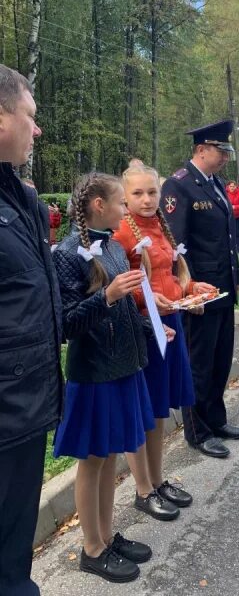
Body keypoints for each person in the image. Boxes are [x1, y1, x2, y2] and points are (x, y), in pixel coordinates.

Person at [52, 172, 175, 582]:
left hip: (124, 366)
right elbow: (68, 325)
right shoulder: (68, 253)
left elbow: (124, 313)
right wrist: (106, 296)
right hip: (94, 375)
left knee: (111, 459)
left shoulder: (115, 247)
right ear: (98, 206)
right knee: (92, 462)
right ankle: (91, 549)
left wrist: (153, 329)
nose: (127, 210)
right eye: (122, 203)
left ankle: (105, 536)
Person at [114, 165, 216, 519]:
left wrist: (191, 289)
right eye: (138, 194)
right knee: (143, 413)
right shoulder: (120, 233)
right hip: (144, 328)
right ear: (124, 198)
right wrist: (145, 307)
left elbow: (166, 276)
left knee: (158, 411)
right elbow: (115, 291)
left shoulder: (160, 225)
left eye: (152, 192)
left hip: (170, 321)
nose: (146, 200)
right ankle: (142, 488)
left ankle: (157, 481)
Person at [0, 64, 62, 596]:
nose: (36, 130)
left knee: (12, 555)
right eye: (30, 116)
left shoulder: (18, 198)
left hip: (23, 408)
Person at [160, 120, 239, 459]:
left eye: (226, 151)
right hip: (199, 293)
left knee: (220, 358)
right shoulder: (179, 187)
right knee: (199, 362)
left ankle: (216, 419)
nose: (225, 156)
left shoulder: (216, 184)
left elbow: (226, 239)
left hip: (222, 287)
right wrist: (186, 293)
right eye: (220, 150)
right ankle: (197, 432)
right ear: (201, 150)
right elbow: (175, 247)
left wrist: (235, 276)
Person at [226, 180, 239, 253]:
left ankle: (238, 248)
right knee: (231, 232)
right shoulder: (225, 193)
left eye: (233, 186)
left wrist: (234, 207)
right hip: (230, 216)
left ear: (236, 186)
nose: (232, 188)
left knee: (238, 233)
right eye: (230, 186)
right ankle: (231, 248)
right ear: (228, 186)